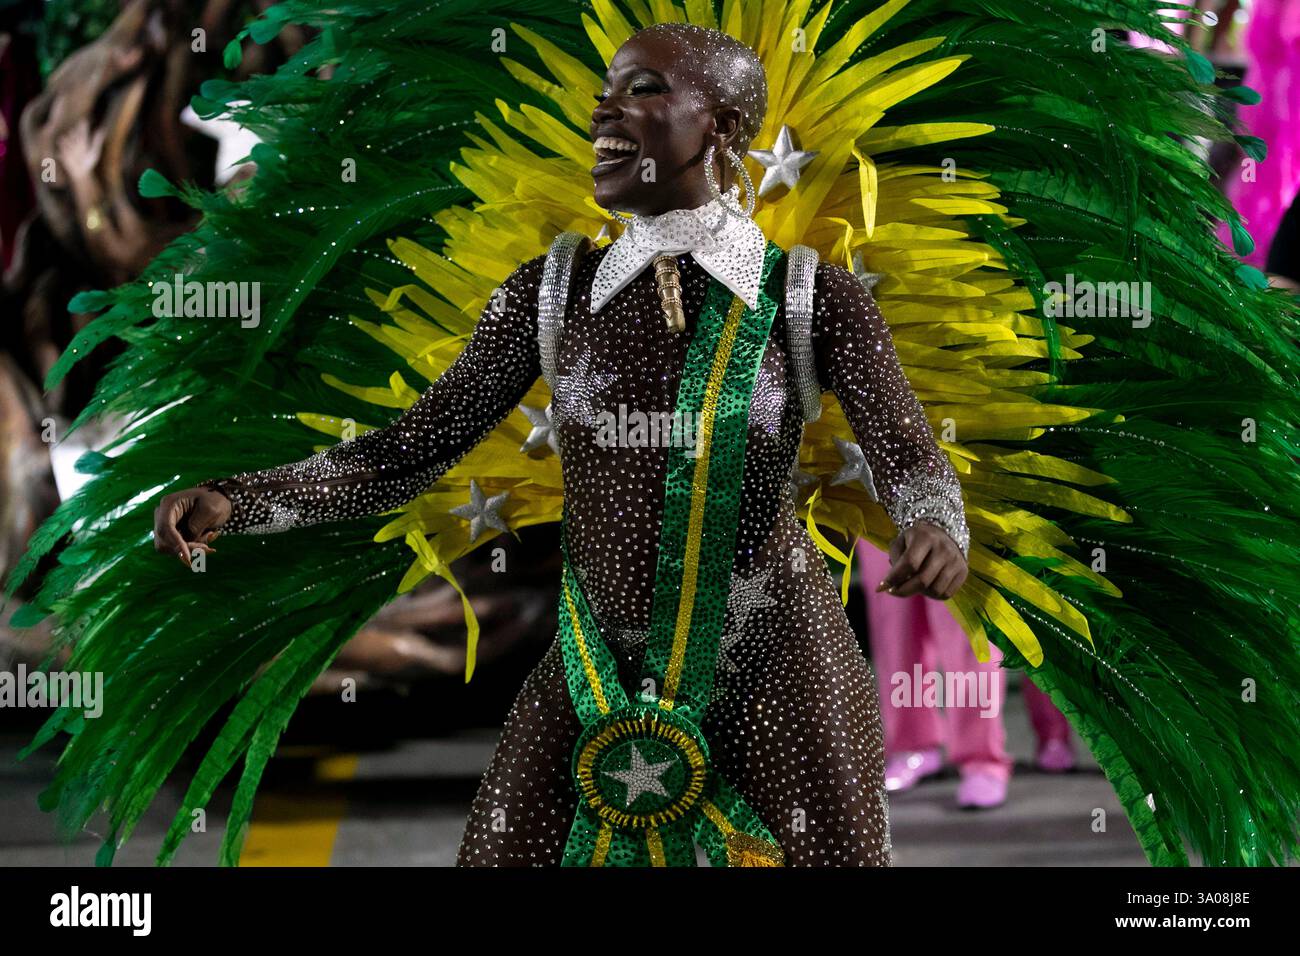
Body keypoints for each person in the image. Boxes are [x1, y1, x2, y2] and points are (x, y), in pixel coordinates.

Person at [152, 22, 970, 867]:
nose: (603, 110)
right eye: (605, 90)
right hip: (594, 669)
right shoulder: (551, 291)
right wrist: (242, 499)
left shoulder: (808, 296)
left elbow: (908, 453)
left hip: (779, 668)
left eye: (643, 89)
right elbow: (413, 449)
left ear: (723, 128)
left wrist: (935, 523)